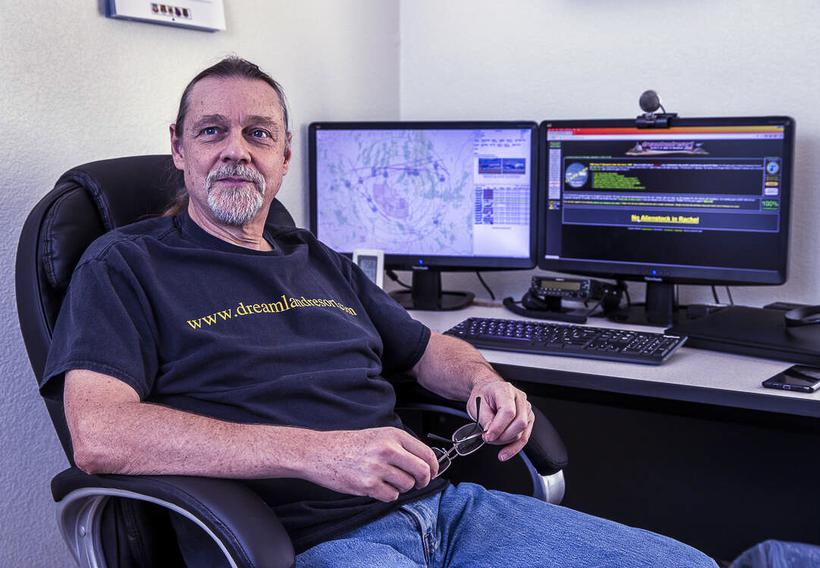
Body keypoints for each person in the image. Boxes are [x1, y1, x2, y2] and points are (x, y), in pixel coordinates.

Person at [42, 56, 716, 567]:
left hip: (446, 510)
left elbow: (427, 350)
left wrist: (485, 382)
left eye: (258, 133)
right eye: (212, 131)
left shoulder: (317, 258)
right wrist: (318, 455)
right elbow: (101, 434)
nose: (235, 151)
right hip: (305, 542)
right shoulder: (124, 264)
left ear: (282, 157)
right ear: (180, 149)